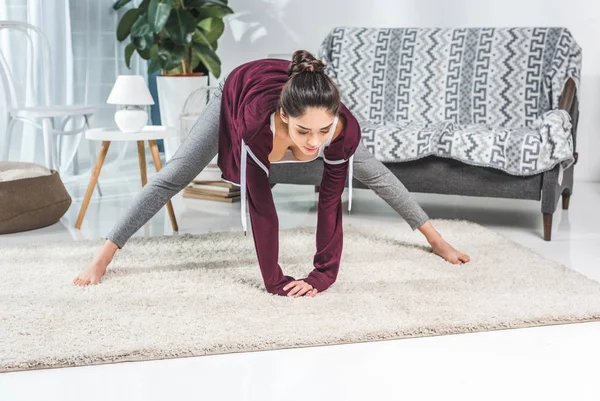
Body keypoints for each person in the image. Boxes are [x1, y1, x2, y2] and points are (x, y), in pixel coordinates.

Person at [74, 50, 470, 297]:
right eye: (303, 133)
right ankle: (103, 257)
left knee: (374, 172)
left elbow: (330, 201)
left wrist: (322, 276)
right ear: (283, 119)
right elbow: (263, 209)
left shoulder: (339, 129)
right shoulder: (254, 127)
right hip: (239, 89)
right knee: (175, 174)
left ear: (335, 119)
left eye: (323, 130)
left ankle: (434, 238)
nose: (314, 144)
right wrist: (276, 281)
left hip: (300, 94)